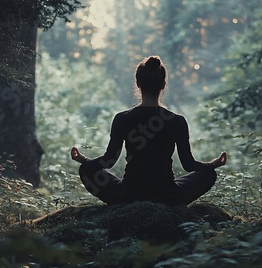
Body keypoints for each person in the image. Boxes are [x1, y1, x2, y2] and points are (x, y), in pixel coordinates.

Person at [71, 55, 227, 205]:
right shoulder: (177, 121)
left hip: (129, 194)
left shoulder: (122, 118)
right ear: (163, 85)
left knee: (86, 170)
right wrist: (212, 165)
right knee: (208, 174)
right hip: (168, 195)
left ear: (138, 84)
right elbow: (188, 164)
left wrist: (84, 161)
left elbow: (109, 160)